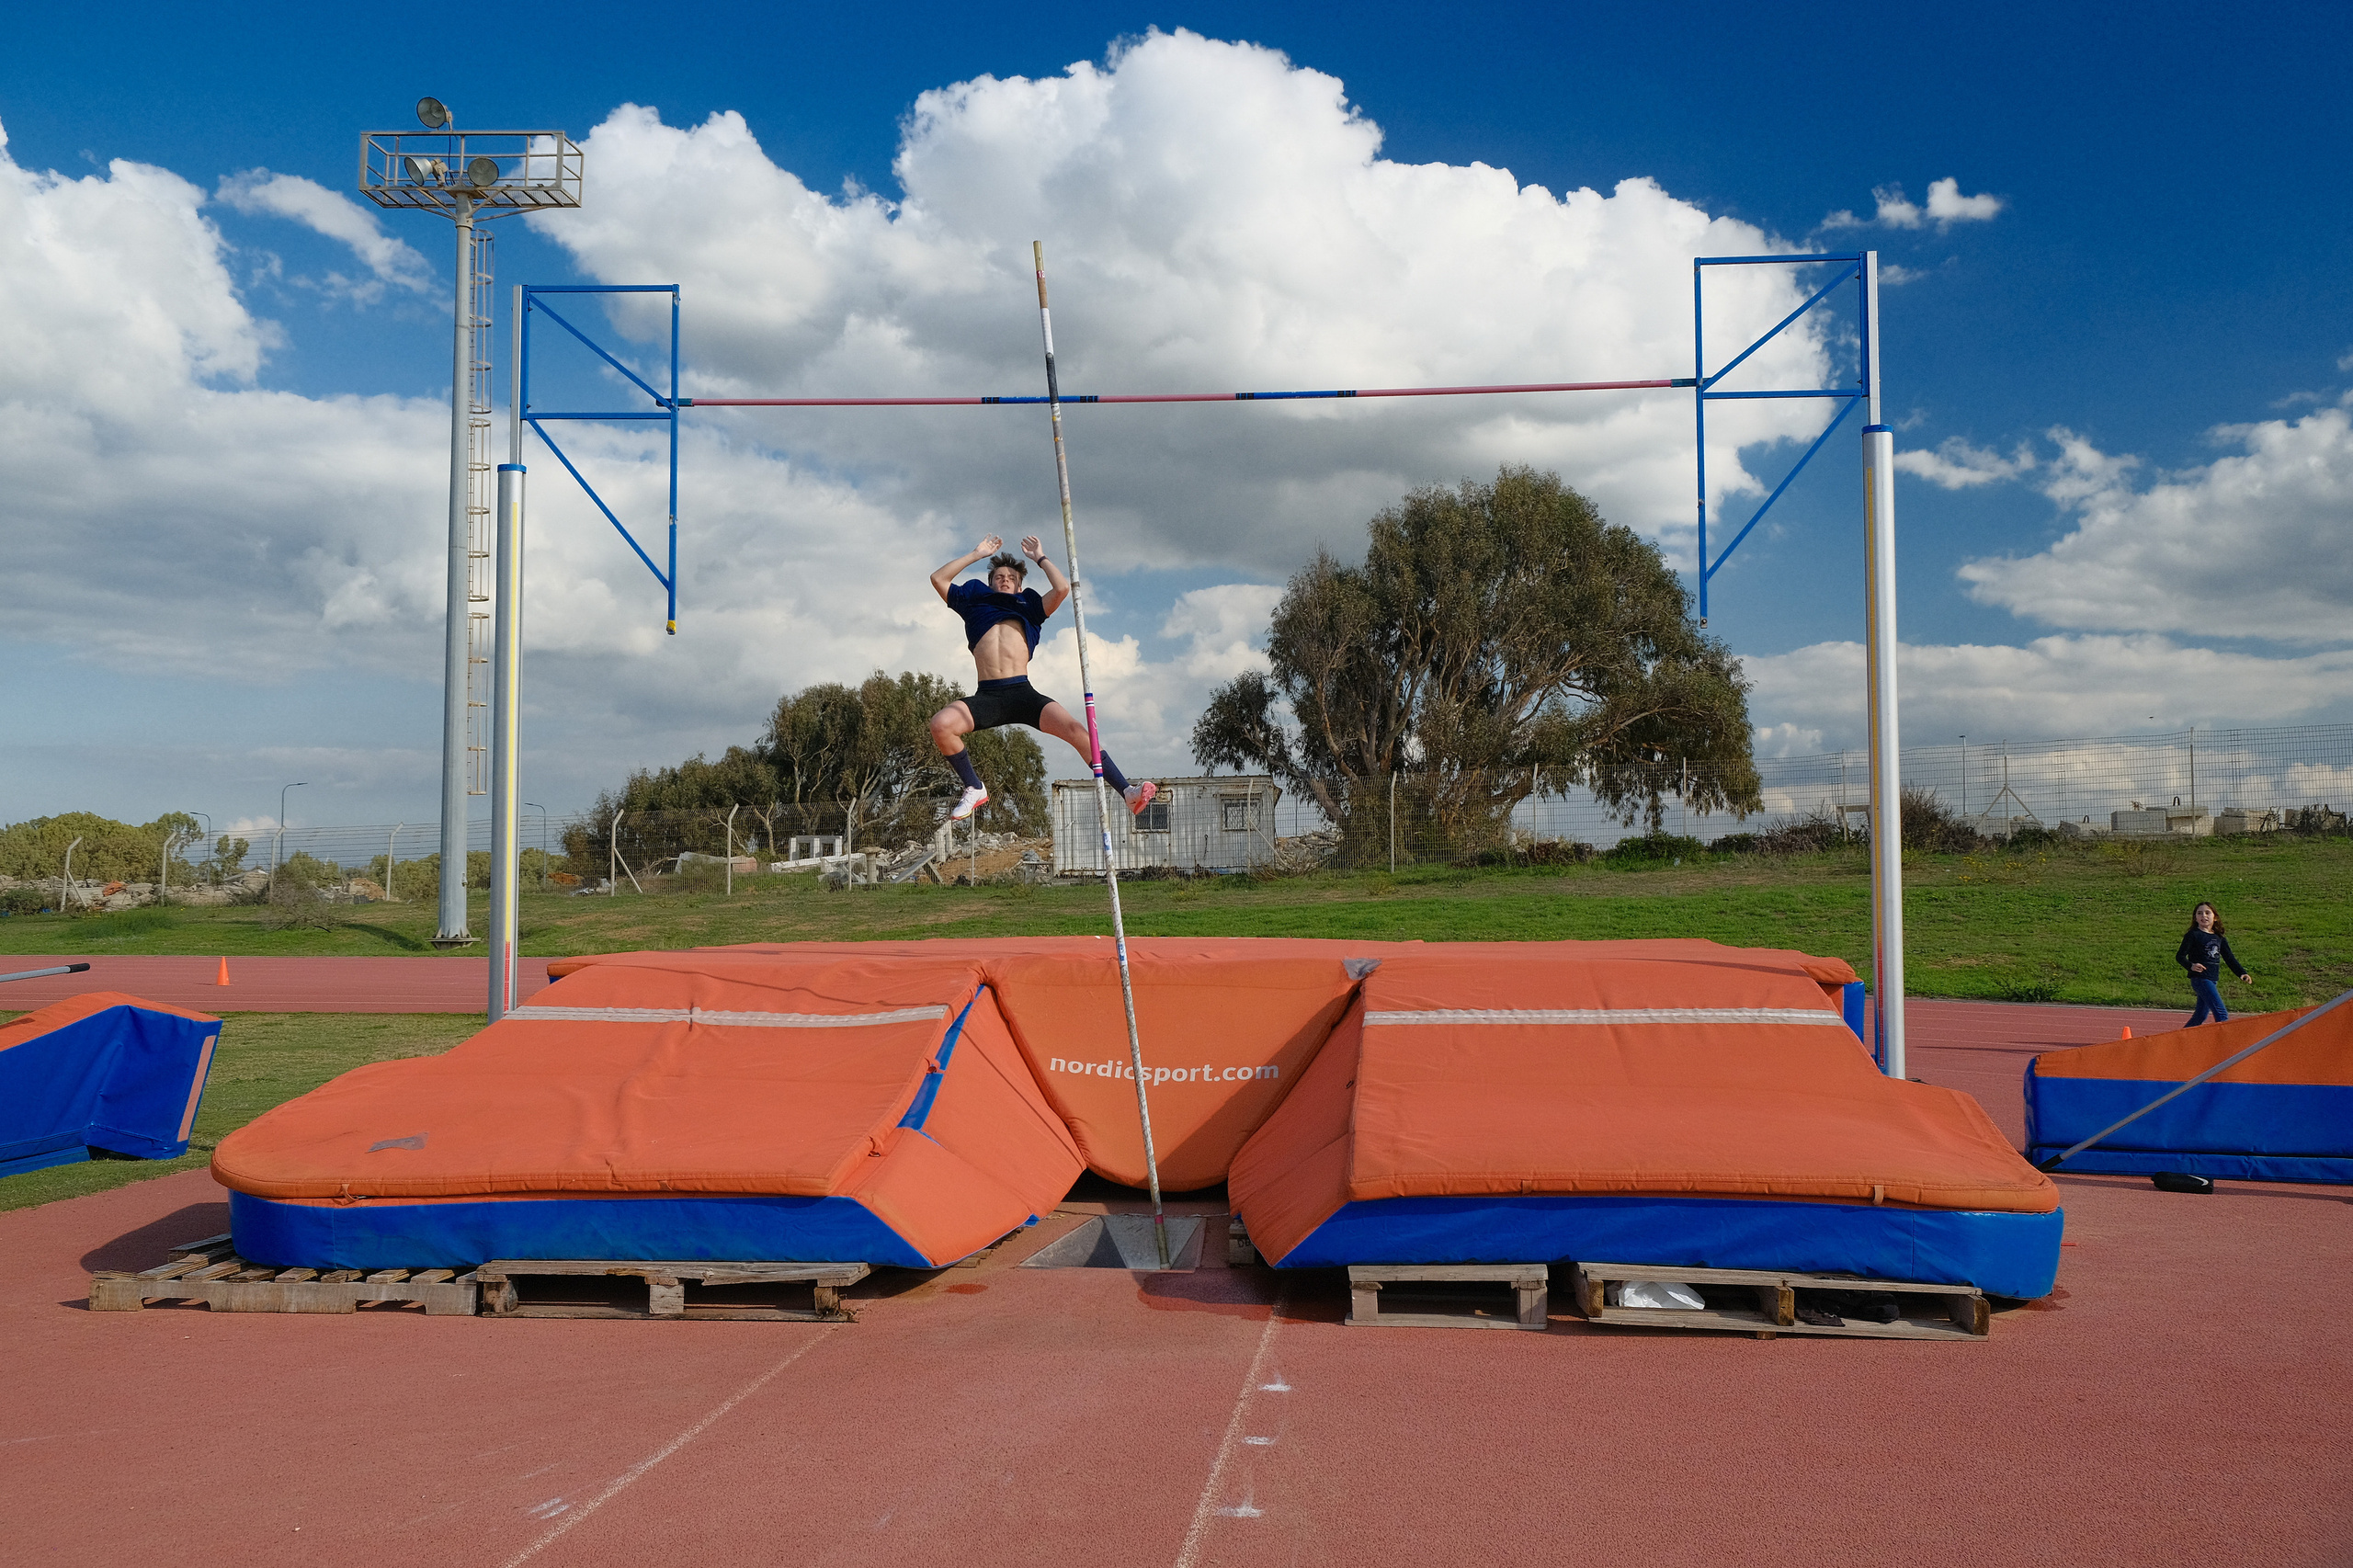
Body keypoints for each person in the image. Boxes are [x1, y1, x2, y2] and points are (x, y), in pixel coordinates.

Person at [927, 534, 1158, 824]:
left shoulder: (1029, 605)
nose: (1005, 580)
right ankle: (974, 787)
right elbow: (938, 578)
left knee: (1077, 730)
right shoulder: (974, 600)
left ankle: (1126, 791)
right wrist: (976, 554)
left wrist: (1040, 558)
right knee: (941, 725)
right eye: (999, 576)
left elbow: (1061, 588)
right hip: (987, 695)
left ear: (1020, 584)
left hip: (1022, 693)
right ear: (990, 582)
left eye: (1011, 577)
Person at [2175, 900, 2252, 1026]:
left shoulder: (2219, 938)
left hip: (2212, 979)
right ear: (2195, 917)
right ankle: (2225, 1044)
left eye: (2207, 913)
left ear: (2214, 917)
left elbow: (2229, 958)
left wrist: (2242, 973)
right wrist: (2191, 966)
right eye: (2199, 913)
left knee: (2200, 1016)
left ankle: (2179, 1042)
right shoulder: (2193, 935)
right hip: (2200, 979)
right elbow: (2180, 956)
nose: (2203, 916)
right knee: (2222, 1014)